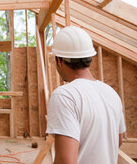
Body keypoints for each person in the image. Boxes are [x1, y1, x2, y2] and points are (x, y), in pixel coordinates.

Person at [46, 26, 126, 164]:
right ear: (89, 58)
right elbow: (117, 141)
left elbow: (66, 162)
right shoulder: (111, 92)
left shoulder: (65, 95)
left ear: (59, 60)